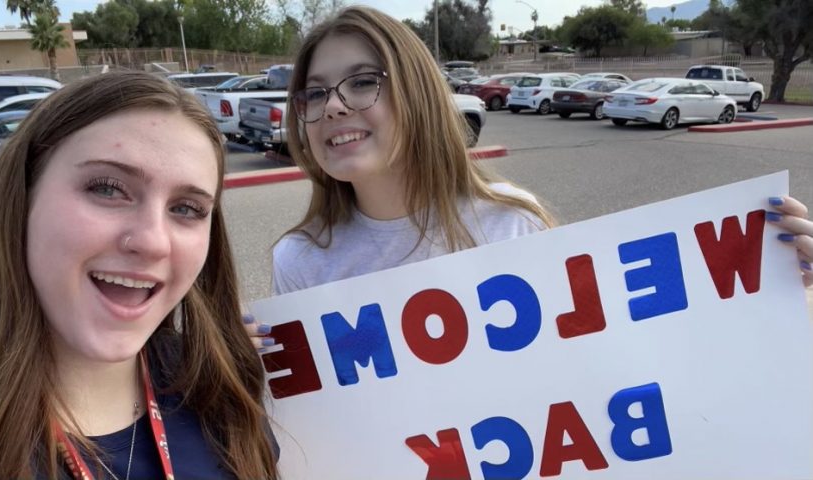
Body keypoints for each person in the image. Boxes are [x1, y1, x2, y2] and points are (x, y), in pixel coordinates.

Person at [270, 6, 813, 295]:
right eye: (313, 92)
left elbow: (618, 351)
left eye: (363, 81)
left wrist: (769, 282)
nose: (333, 106)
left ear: (417, 91)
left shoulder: (511, 222)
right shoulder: (298, 262)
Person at [0, 72, 278, 479]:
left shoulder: (217, 389)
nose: (154, 242)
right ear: (21, 198)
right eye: (107, 188)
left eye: (187, 208)